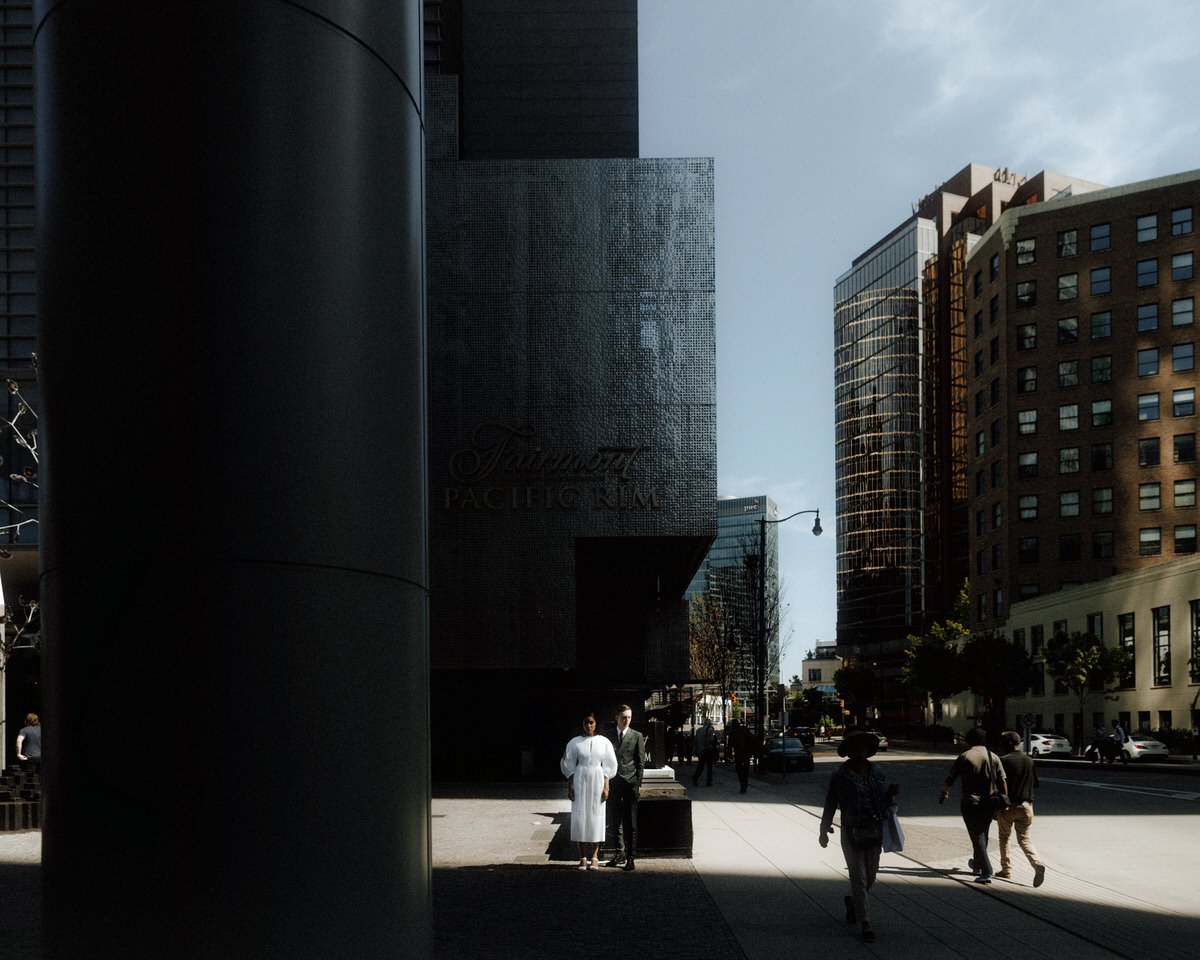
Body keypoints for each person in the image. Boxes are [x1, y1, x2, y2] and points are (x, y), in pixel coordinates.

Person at [819, 727, 898, 944]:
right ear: (849, 751)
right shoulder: (840, 776)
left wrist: (890, 795)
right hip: (852, 832)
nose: (860, 750)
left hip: (874, 830)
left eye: (864, 747)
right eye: (856, 747)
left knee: (871, 876)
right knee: (858, 878)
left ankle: (853, 903)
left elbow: (883, 800)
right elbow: (830, 803)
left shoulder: (877, 772)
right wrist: (824, 829)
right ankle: (865, 923)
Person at [938, 726, 1007, 884]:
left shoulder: (964, 756)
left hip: (970, 802)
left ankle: (986, 870)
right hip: (989, 803)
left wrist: (944, 793)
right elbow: (1002, 780)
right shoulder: (993, 756)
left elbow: (951, 778)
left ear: (969, 740)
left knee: (976, 836)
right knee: (983, 833)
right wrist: (1004, 799)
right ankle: (977, 864)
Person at [560, 711, 618, 870]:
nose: (589, 726)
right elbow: (568, 765)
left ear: (596, 723)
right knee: (581, 817)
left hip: (597, 780)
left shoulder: (604, 742)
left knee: (596, 816)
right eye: (586, 722)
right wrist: (570, 787)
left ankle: (594, 856)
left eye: (591, 722)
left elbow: (609, 765)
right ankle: (583, 856)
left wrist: (606, 786)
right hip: (580, 780)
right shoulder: (575, 742)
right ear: (582, 724)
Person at [995, 730, 1046, 887]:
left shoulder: (1002, 761)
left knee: (1004, 837)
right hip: (1026, 806)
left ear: (1008, 744)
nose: (1000, 746)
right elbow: (1035, 784)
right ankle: (1036, 863)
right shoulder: (1029, 760)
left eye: (1002, 743)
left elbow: (997, 785)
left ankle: (1006, 869)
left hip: (1007, 807)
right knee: (1024, 839)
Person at [605, 704, 647, 871]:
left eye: (629, 717)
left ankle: (631, 857)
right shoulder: (607, 736)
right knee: (615, 821)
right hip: (614, 783)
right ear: (617, 717)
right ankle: (619, 853)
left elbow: (640, 763)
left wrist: (637, 784)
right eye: (624, 717)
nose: (627, 720)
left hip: (630, 784)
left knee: (631, 823)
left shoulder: (636, 736)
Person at [727, 719, 753, 793]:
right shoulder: (745, 730)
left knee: (739, 770)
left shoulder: (733, 732)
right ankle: (744, 785)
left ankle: (742, 784)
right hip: (746, 753)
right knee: (745, 771)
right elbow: (752, 739)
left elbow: (730, 745)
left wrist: (729, 754)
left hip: (738, 754)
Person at [692, 719, 717, 787]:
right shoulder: (710, 729)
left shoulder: (698, 730)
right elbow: (712, 739)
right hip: (708, 750)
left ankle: (695, 777)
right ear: (709, 724)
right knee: (709, 767)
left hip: (700, 751)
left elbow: (695, 741)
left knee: (701, 766)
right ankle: (709, 781)